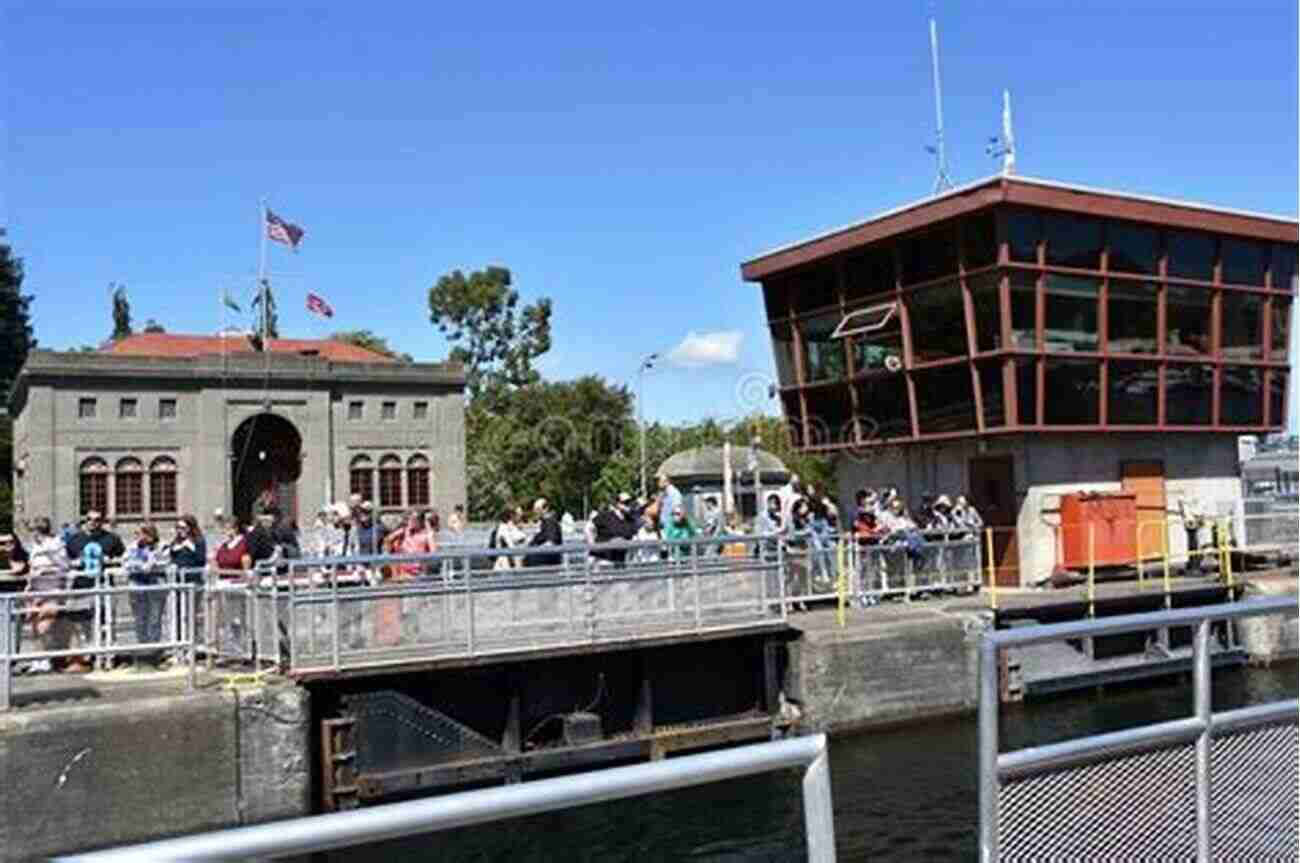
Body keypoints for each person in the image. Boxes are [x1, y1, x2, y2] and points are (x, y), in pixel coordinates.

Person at [24, 517, 76, 673]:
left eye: (33, 531)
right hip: (35, 590)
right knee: (33, 627)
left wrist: (46, 571)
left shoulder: (56, 545)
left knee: (44, 626)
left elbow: (64, 566)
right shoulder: (34, 547)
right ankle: (38, 660)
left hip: (52, 589)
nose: (32, 535)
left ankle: (46, 659)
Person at [124, 523, 167, 669]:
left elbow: (163, 562)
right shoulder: (132, 547)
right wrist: (139, 566)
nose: (142, 537)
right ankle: (143, 648)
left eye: (145, 534)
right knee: (140, 618)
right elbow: (126, 563)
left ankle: (154, 650)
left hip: (156, 585)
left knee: (155, 618)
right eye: (140, 534)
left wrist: (151, 563)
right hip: (137, 585)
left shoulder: (162, 546)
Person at [385, 509, 436, 579]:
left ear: (420, 521)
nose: (410, 522)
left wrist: (430, 533)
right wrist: (399, 532)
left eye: (414, 520)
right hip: (403, 572)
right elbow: (388, 540)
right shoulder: (404, 532)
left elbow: (434, 554)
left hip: (418, 573)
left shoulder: (426, 535)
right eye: (409, 519)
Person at [591, 493, 638, 567]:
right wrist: (592, 545)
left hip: (621, 562)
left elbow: (634, 537)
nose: (629, 505)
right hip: (604, 559)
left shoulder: (630, 520)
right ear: (618, 504)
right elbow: (588, 527)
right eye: (626, 502)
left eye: (631, 503)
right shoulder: (606, 516)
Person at [524, 498, 563, 568]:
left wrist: (534, 550)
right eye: (535, 509)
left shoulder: (550, 523)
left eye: (538, 509)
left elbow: (551, 543)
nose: (535, 512)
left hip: (546, 563)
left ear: (546, 509)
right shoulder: (544, 523)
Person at [490, 507, 528, 571]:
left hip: (511, 561)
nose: (516, 519)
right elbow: (510, 544)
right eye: (514, 517)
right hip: (504, 561)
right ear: (509, 518)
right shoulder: (503, 528)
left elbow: (522, 536)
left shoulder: (511, 528)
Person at [1180, 495, 1206, 575]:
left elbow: (1198, 513)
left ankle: (1195, 565)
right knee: (1193, 546)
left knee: (1196, 546)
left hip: (1195, 526)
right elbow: (1189, 514)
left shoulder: (1195, 505)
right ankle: (1194, 566)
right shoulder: (1186, 506)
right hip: (1192, 527)